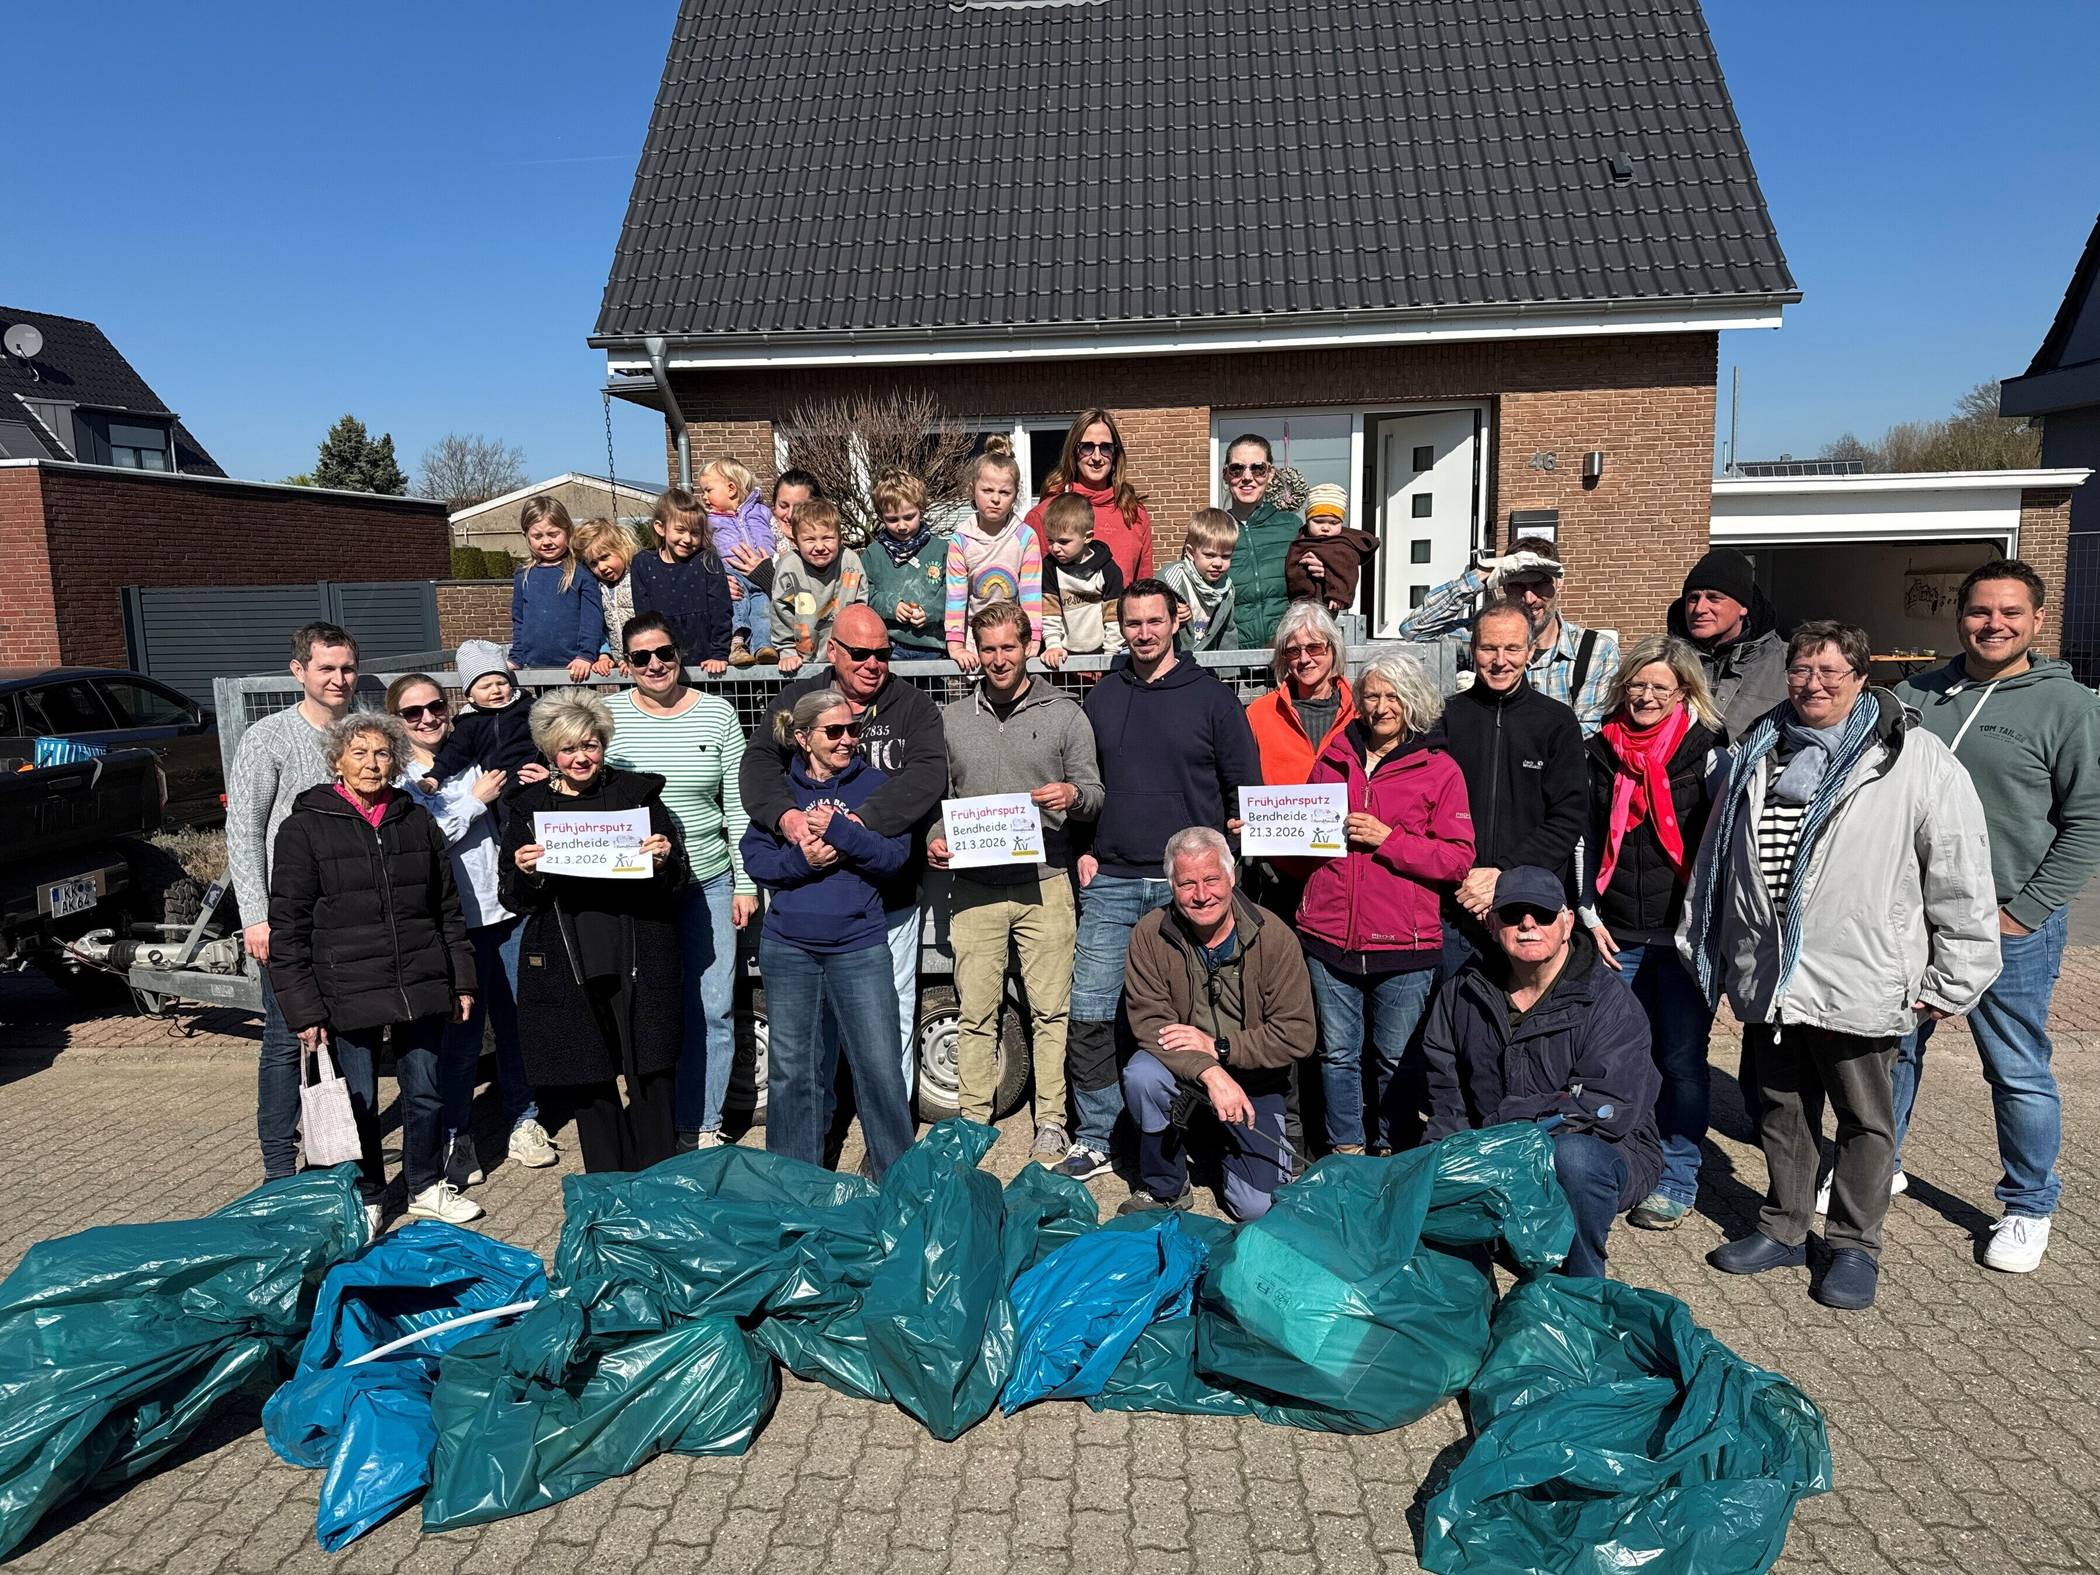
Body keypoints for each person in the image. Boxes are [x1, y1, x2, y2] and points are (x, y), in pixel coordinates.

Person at [1683, 621, 2000, 1311]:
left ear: (1861, 677)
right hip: (1773, 973)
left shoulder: (1911, 757)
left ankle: (1855, 1244)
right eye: (1802, 669)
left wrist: (1956, 975)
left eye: (1831, 670)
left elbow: (1959, 869)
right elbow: (1720, 862)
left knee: (1865, 1119)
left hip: (1862, 969)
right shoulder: (1759, 750)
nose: (1814, 683)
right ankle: (1785, 1225)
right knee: (1782, 1109)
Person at [1891, 560, 2100, 1271]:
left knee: (2014, 1066)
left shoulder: (2068, 706)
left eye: (2011, 612)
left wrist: (2026, 912)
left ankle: (2028, 1203)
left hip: (2010, 921)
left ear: (2037, 620)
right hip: (1912, 919)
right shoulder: (1916, 694)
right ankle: (1874, 1163)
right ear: (1960, 617)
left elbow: (2089, 821)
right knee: (1892, 1049)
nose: (1994, 623)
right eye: (1980, 610)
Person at [1061, 579, 1263, 1180]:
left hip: (1190, 889)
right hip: (1116, 879)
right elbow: (1083, 782)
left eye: (1154, 621)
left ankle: (1198, 1127)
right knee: (1092, 1009)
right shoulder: (1102, 697)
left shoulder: (1212, 697)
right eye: (1132, 623)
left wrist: (1232, 841)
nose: (1143, 633)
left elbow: (1242, 786)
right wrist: (1082, 848)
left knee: (1201, 1011)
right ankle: (1096, 1134)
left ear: (1176, 620)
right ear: (1119, 627)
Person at [268, 712, 480, 1233]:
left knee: (425, 1091)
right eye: (359, 753)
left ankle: (425, 1183)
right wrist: (303, 1008)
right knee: (358, 1099)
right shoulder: (304, 828)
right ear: (337, 761)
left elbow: (445, 908)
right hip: (347, 985)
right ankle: (365, 1193)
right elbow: (288, 928)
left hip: (420, 978)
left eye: (383, 753)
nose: (372, 764)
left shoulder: (415, 820)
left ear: (397, 760)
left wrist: (463, 978)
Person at [741, 602, 949, 1092]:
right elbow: (759, 764)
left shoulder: (913, 706)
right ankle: (826, 1124)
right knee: (813, 1034)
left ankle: (886, 1142)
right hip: (808, 899)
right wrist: (786, 816)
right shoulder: (798, 699)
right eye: (859, 652)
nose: (872, 664)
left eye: (882, 652)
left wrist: (857, 822)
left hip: (887, 901)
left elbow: (926, 777)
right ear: (832, 650)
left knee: (887, 1027)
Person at [1422, 866, 1662, 1280]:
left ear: (1567, 923)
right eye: (1515, 914)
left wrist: (1498, 1136)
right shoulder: (1462, 991)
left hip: (1606, 1147)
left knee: (1575, 1161)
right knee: (1425, 1173)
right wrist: (1444, 1159)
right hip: (1495, 1143)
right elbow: (1446, 1089)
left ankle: (1582, 1286)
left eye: (1544, 914)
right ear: (1492, 923)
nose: (1529, 924)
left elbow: (1605, 1109)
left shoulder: (1609, 1001)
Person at [927, 603, 1103, 1160]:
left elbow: (1094, 793)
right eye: (988, 649)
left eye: (1008, 647)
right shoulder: (952, 719)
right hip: (975, 883)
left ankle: (1050, 1117)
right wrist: (936, 835)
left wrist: (1073, 798)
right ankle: (973, 1117)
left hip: (1046, 881)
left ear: (1028, 645)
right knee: (975, 1009)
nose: (998, 659)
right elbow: (939, 799)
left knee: (1051, 1008)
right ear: (975, 652)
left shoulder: (1066, 714)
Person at [500, 691, 687, 1174]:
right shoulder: (528, 806)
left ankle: (660, 1178)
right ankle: (606, 1184)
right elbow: (512, 896)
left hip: (638, 947)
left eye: (589, 745)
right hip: (567, 955)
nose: (580, 757)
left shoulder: (638, 795)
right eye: (567, 749)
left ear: (603, 744)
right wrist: (526, 871)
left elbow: (676, 878)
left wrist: (665, 857)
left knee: (651, 1070)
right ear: (548, 753)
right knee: (589, 1075)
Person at [1577, 635, 1725, 1230]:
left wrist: (1710, 924)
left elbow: (1723, 847)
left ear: (1683, 692)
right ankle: (1621, 1162)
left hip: (1684, 937)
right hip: (1617, 933)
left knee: (1683, 1060)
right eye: (1637, 684)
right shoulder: (1599, 752)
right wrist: (1587, 913)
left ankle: (1678, 1175)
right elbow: (1585, 839)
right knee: (1617, 1058)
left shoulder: (1711, 754)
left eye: (1660, 687)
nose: (1646, 695)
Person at [1299, 651, 1473, 1154]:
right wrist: (1268, 833)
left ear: (1412, 701)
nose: (1380, 706)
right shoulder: (1333, 757)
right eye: (1372, 695)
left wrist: (1388, 839)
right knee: (1336, 1054)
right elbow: (1306, 833)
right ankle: (1346, 1150)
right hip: (1329, 936)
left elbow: (1458, 859)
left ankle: (1393, 1150)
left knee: (1395, 1057)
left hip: (1404, 940)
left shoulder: (1439, 769)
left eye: (1392, 695)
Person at [388, 674, 557, 1190]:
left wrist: (537, 779)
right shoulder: (401, 780)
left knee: (520, 1024)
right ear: (398, 721)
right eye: (413, 712)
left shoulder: (479, 748)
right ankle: (457, 1134)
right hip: (456, 927)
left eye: (435, 707)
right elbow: (417, 842)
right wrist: (475, 801)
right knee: (461, 1039)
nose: (427, 719)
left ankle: (525, 1120)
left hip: (506, 910)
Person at [740, 688, 917, 1179]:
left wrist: (841, 832)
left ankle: (895, 1178)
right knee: (792, 1071)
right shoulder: (782, 795)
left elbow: (894, 858)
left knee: (879, 1068)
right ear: (802, 738)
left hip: (858, 946)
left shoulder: (877, 786)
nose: (846, 741)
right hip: (788, 946)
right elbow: (756, 857)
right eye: (833, 732)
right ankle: (796, 1181)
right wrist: (802, 859)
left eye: (853, 730)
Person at [605, 614, 757, 1151]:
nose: (655, 665)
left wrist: (745, 884)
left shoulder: (717, 714)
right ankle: (650, 1122)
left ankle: (701, 1124)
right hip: (634, 889)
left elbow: (736, 806)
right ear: (625, 663)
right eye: (641, 657)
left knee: (712, 1007)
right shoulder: (608, 716)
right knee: (643, 1008)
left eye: (664, 653)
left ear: (680, 653)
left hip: (707, 883)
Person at [1119, 828, 1317, 1219]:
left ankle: (1219, 1151)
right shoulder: (1149, 934)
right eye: (1187, 883)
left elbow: (1298, 1036)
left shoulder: (1274, 937)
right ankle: (1166, 1187)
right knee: (1142, 1076)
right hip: (1183, 1075)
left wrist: (1221, 1048)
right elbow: (1150, 1024)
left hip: (1256, 1085)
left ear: (1232, 877)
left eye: (1211, 879)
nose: (1201, 894)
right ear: (1172, 886)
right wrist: (1211, 1071)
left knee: (1257, 1209)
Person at [228, 621, 360, 1190]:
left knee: (349, 1040)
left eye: (347, 668)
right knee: (285, 1043)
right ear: (298, 671)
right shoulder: (269, 738)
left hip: (350, 919)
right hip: (288, 920)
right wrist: (255, 916)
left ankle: (340, 1155)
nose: (338, 679)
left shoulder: (362, 733)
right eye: (326, 668)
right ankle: (279, 1169)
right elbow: (244, 831)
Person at [1440, 598, 1588, 975]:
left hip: (1529, 909)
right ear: (1472, 650)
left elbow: (1568, 819)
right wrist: (1467, 876)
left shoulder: (1556, 722)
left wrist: (1501, 874)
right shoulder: (1446, 719)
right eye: (1489, 647)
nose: (1500, 660)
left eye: (1512, 648)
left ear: (1531, 650)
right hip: (1458, 905)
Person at [1397, 538, 1619, 734]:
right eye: (1517, 585)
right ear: (1503, 585)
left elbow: (1582, 733)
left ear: (1558, 582)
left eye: (1539, 584)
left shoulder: (1596, 650)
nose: (1529, 598)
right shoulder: (1483, 637)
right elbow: (1414, 630)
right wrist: (1480, 577)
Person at [1667, 547, 1788, 739]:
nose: (1699, 608)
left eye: (1714, 598)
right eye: (1693, 598)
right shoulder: (1664, 661)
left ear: (1743, 607)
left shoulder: (1788, 665)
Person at [1023, 409, 1155, 586]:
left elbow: (1145, 588)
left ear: (1115, 454)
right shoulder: (1044, 514)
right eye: (1087, 447)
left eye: (1106, 447)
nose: (1097, 457)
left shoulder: (1134, 514)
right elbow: (1030, 590)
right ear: (1073, 452)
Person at [942, 438, 1043, 670]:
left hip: (1014, 639)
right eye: (987, 490)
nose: (995, 499)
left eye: (1004, 492)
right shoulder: (962, 539)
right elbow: (956, 596)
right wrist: (956, 644)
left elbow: (1031, 592)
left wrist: (1033, 636)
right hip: (975, 641)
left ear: (1015, 495)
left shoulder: (1026, 538)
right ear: (972, 490)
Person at [629, 487, 734, 675]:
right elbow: (644, 619)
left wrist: (719, 654)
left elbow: (721, 612)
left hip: (707, 660)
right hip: (662, 663)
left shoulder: (707, 560)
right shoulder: (643, 563)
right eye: (680, 530)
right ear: (660, 528)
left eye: (695, 533)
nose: (687, 539)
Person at [1218, 434, 1303, 651]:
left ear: (1270, 473)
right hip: (1230, 664)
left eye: (1257, 468)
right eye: (1237, 469)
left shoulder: (1291, 527)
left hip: (1286, 657)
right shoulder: (1211, 530)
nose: (1247, 477)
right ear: (1226, 474)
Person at [509, 495, 607, 681]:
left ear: (568, 531)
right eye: (537, 536)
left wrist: (586, 655)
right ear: (526, 537)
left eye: (554, 534)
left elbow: (592, 619)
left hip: (576, 668)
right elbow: (519, 620)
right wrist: (516, 657)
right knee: (545, 711)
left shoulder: (581, 572)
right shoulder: (523, 574)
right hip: (536, 668)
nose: (546, 542)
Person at [773, 497, 868, 675]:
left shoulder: (850, 561)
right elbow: (780, 610)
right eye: (809, 540)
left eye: (827, 538)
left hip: (844, 656)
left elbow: (861, 605)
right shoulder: (789, 566)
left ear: (840, 538)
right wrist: (786, 650)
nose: (819, 546)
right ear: (796, 541)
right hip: (801, 659)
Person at [699, 457, 780, 668]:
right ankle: (737, 645)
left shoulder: (762, 511)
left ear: (731, 488)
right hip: (731, 571)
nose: (704, 497)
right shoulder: (709, 520)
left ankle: (763, 646)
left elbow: (777, 536)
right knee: (738, 605)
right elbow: (703, 551)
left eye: (708, 490)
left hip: (762, 571)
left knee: (763, 608)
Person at [862, 469, 951, 659]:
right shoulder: (873, 554)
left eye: (909, 517)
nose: (902, 526)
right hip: (889, 645)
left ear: (922, 510)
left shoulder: (942, 549)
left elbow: (953, 592)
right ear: (880, 516)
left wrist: (930, 612)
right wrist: (891, 606)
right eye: (892, 520)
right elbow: (863, 594)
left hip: (931, 645)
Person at [428, 640, 534, 784]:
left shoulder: (528, 707)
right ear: (470, 696)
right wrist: (435, 776)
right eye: (485, 687)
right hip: (496, 783)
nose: (496, 690)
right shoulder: (468, 721)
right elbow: (454, 752)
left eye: (502, 683)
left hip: (532, 774)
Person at [1039, 491, 1126, 664]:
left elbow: (1114, 616)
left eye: (1063, 542)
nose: (1055, 548)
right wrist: (1053, 645)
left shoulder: (1108, 570)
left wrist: (1110, 655)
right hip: (1063, 654)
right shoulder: (1049, 567)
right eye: (1050, 540)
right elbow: (1050, 611)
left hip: (1104, 650)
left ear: (1087, 537)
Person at [1285, 483, 1379, 616]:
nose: (1326, 528)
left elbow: (1346, 570)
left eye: (1333, 523)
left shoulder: (1343, 546)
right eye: (1318, 521)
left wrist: (1338, 594)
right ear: (1307, 520)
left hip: (1325, 606)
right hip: (1297, 606)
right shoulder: (1300, 540)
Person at [1158, 508, 1239, 653]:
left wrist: (1228, 673)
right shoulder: (1170, 579)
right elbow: (1149, 612)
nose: (1218, 563)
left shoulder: (1227, 590)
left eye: (1225, 556)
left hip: (1205, 664)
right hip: (1172, 661)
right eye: (1209, 555)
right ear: (1190, 552)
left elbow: (1227, 632)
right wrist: (1169, 611)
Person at [573, 518, 642, 676]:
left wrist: (636, 656)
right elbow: (601, 627)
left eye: (605, 557)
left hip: (644, 661)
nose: (601, 568)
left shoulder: (638, 577)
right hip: (621, 666)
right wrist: (605, 654)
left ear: (622, 547)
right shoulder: (597, 587)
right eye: (593, 564)